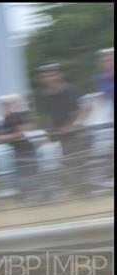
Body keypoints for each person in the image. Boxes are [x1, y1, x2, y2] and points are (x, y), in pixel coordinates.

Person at [34, 64, 90, 195]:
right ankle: (78, 190)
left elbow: (84, 108)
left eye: (52, 75)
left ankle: (83, 190)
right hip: (60, 135)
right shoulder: (43, 96)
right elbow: (46, 116)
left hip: (76, 133)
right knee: (67, 163)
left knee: (78, 161)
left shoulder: (71, 89)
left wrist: (73, 125)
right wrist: (48, 129)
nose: (48, 79)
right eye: (44, 76)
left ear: (59, 75)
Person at [0, 94, 42, 202]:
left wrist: (0, 138)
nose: (3, 108)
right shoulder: (5, 120)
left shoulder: (15, 117)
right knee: (22, 176)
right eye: (3, 106)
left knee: (30, 175)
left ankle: (40, 196)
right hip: (17, 151)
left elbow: (20, 133)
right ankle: (28, 197)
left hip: (25, 150)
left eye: (6, 105)